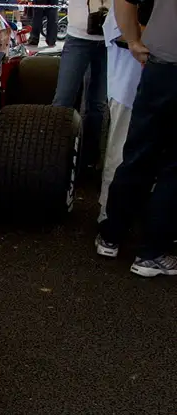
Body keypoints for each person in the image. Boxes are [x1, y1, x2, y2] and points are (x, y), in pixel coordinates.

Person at [96, 0, 177, 276]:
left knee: (139, 152)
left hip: (159, 67)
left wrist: (133, 41)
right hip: (163, 63)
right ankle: (151, 252)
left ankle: (111, 235)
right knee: (172, 168)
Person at [96, 4, 143, 222]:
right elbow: (119, 30)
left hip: (161, 84)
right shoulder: (124, 8)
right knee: (121, 149)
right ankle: (109, 214)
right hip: (129, 85)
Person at [52, 0, 108, 170]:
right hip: (78, 37)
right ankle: (53, 154)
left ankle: (88, 159)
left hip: (110, 40)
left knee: (97, 105)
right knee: (63, 100)